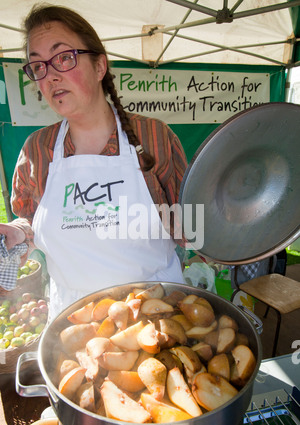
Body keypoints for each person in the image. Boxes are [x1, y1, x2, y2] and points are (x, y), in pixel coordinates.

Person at [0, 4, 188, 319]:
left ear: (99, 66)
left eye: (64, 58)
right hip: (75, 325)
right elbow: (34, 222)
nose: (51, 75)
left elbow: (191, 227)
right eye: (38, 66)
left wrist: (209, 226)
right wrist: (18, 232)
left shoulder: (153, 137)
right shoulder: (37, 150)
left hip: (158, 317)